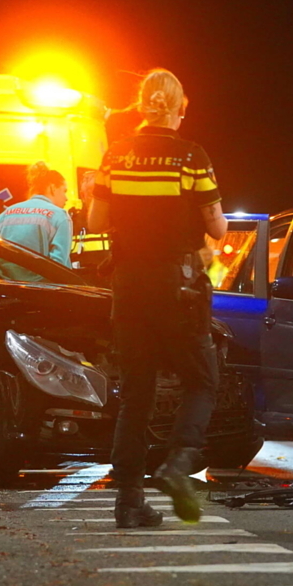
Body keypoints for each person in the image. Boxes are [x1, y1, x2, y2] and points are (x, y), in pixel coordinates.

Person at [89, 68, 228, 528]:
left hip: (128, 287)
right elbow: (217, 227)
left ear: (142, 104)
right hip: (177, 287)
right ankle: (177, 462)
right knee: (201, 380)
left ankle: (128, 502)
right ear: (180, 108)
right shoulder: (190, 156)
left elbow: (95, 220)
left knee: (135, 394)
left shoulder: (116, 155)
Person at [0, 162, 72, 269]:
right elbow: (58, 268)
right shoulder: (60, 217)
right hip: (39, 285)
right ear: (52, 188)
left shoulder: (3, 216)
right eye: (64, 191)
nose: (66, 198)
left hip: (5, 284)